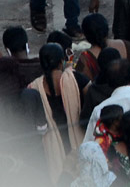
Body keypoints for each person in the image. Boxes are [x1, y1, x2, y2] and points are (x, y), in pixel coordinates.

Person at [27, 41, 89, 182]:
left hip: (53, 153)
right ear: (62, 61)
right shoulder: (75, 78)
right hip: (79, 145)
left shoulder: (34, 88)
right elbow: (94, 97)